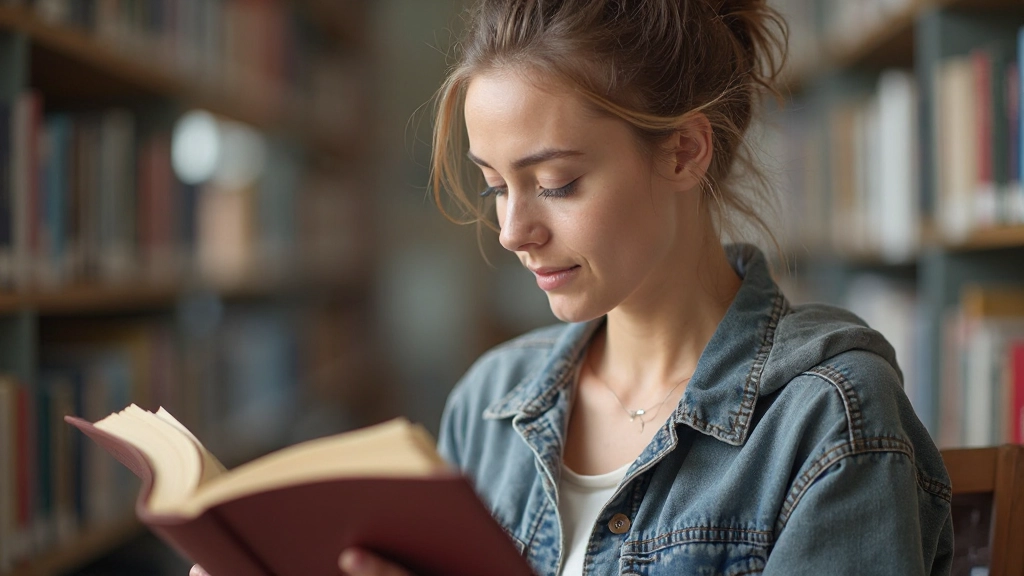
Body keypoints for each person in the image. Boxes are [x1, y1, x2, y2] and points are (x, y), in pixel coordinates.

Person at [194, 0, 953, 575]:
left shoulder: (829, 418)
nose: (512, 231)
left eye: (556, 184)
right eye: (495, 187)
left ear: (685, 151)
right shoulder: (490, 404)